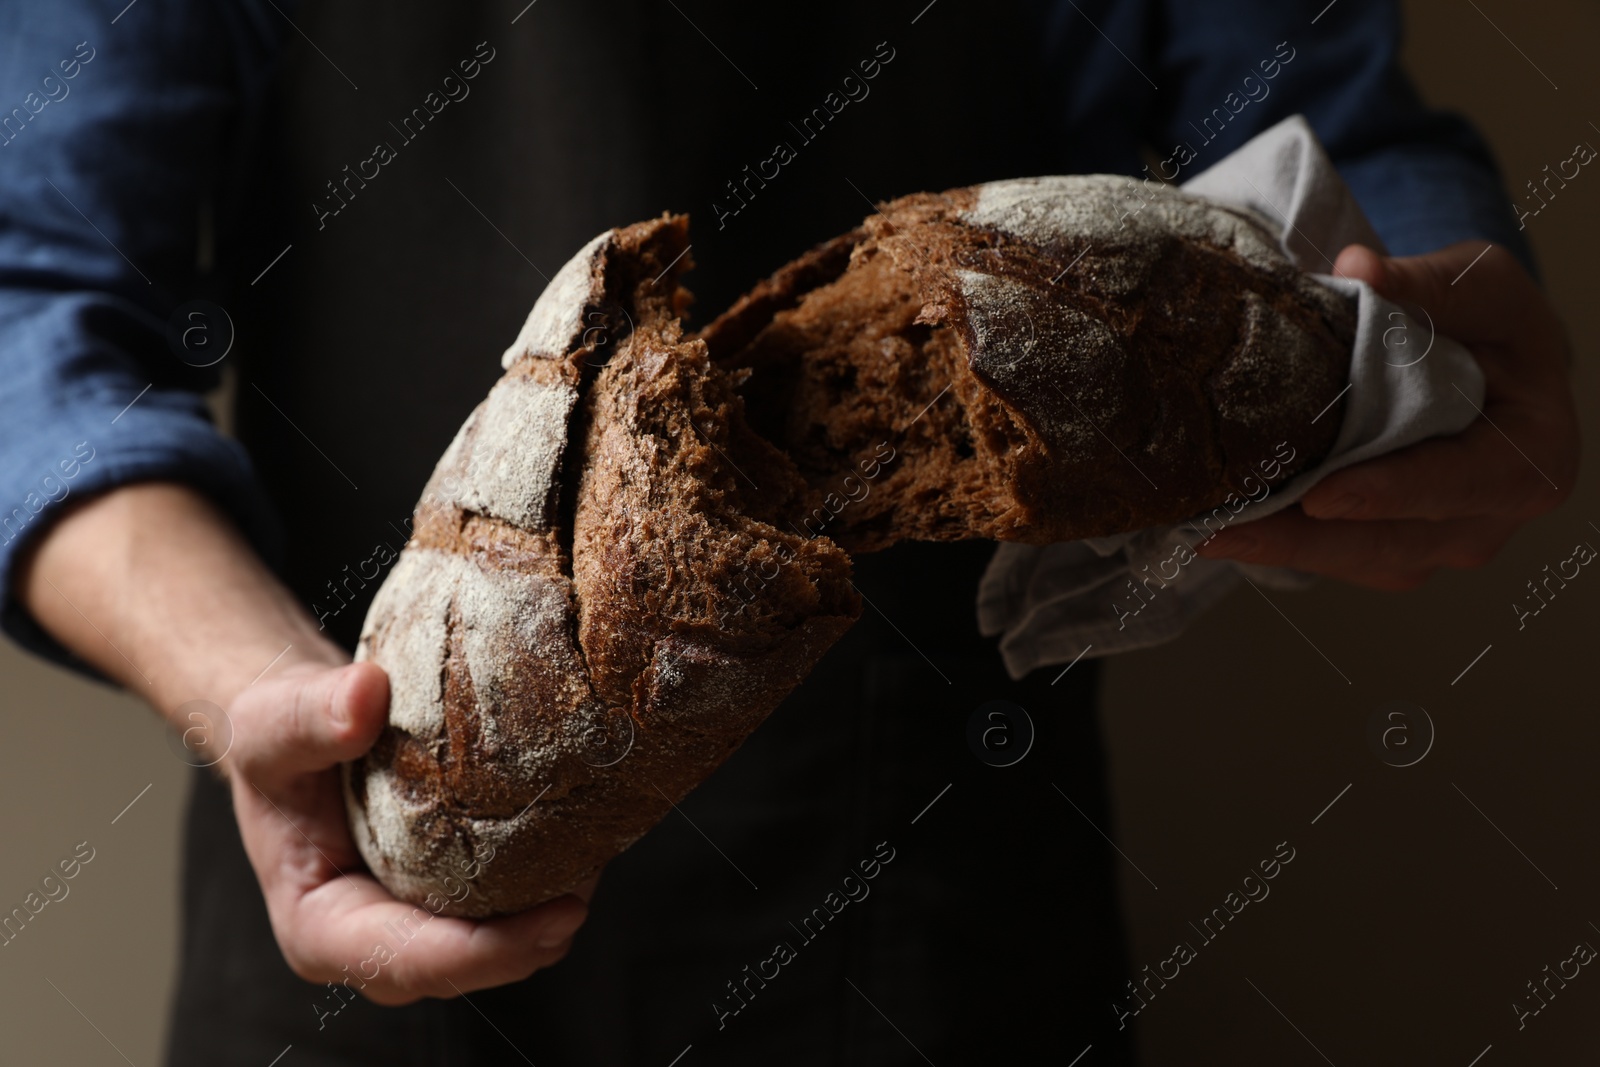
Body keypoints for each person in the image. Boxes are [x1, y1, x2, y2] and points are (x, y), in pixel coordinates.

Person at [0, 1, 1576, 1064]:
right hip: (358, 847)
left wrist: (1428, 348)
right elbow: (35, 304)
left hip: (932, 906)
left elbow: (1325, 111)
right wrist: (252, 688)